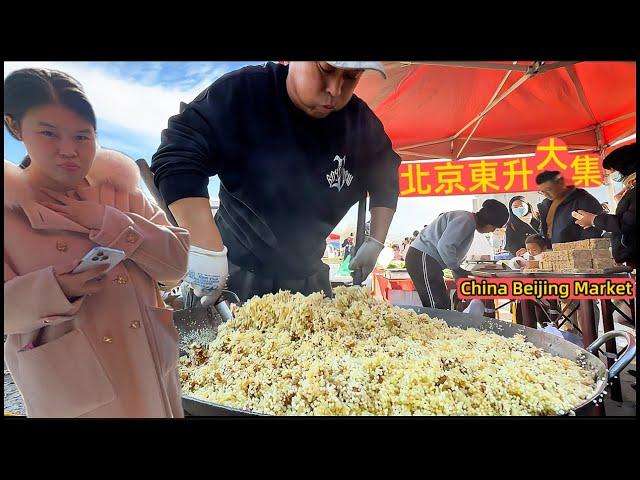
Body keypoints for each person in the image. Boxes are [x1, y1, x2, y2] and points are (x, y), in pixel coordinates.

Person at [4, 68, 190, 417]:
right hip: (71, 390)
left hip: (149, 368)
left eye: (82, 136)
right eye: (48, 133)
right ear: (15, 127)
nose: (69, 150)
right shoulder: (8, 210)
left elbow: (177, 266)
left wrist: (111, 222)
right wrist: (55, 289)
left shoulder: (120, 189)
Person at [151, 62, 400, 303]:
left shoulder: (360, 123)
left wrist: (375, 241)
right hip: (234, 273)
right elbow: (178, 154)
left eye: (351, 76)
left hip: (309, 277)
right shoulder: (244, 94)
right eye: (326, 69)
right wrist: (205, 247)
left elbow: (385, 176)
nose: (335, 90)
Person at [405, 199, 509, 310]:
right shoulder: (466, 220)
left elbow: (451, 255)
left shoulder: (468, 221)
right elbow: (445, 246)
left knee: (442, 304)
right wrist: (457, 269)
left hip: (426, 260)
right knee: (437, 306)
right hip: (422, 258)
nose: (492, 230)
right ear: (489, 221)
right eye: (494, 227)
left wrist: (459, 278)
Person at [574, 143, 636, 269]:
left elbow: (626, 224)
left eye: (612, 171)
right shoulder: (631, 190)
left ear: (626, 166)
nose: (611, 175)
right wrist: (622, 202)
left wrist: (593, 220)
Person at [535, 170, 603, 247]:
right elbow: (546, 232)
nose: (546, 195)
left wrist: (577, 252)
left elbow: (592, 233)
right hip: (556, 253)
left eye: (548, 190)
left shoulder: (583, 201)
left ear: (560, 183)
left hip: (576, 254)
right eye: (542, 192)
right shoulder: (547, 204)